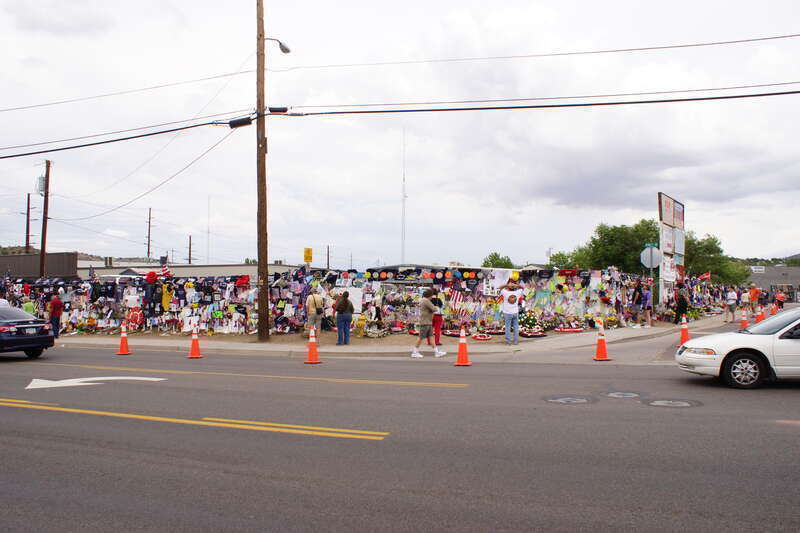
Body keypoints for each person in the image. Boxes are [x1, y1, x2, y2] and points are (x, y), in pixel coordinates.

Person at [411, 289, 446, 358]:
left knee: (431, 337)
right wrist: (434, 307)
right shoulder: (426, 301)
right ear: (429, 295)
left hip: (428, 321)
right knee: (421, 338)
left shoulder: (424, 300)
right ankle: (414, 352)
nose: (432, 297)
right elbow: (434, 309)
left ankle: (436, 352)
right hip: (425, 321)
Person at [499, 279, 524, 345]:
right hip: (515, 312)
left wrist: (508, 285)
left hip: (507, 313)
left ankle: (508, 341)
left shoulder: (505, 292)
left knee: (507, 327)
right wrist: (515, 285)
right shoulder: (518, 292)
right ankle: (516, 341)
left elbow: (500, 287)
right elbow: (522, 287)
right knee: (516, 327)